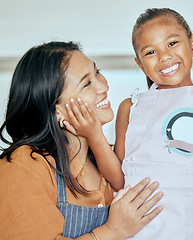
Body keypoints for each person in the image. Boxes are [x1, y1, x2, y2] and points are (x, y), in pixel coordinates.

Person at [64, 8, 193, 240]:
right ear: (140, 63)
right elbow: (119, 179)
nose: (164, 57)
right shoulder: (131, 107)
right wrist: (95, 135)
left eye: (172, 43)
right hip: (140, 224)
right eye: (151, 52)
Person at [0, 41, 164, 240]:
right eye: (86, 83)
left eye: (97, 72)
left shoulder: (106, 160)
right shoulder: (24, 166)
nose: (104, 85)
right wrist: (113, 231)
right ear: (56, 110)